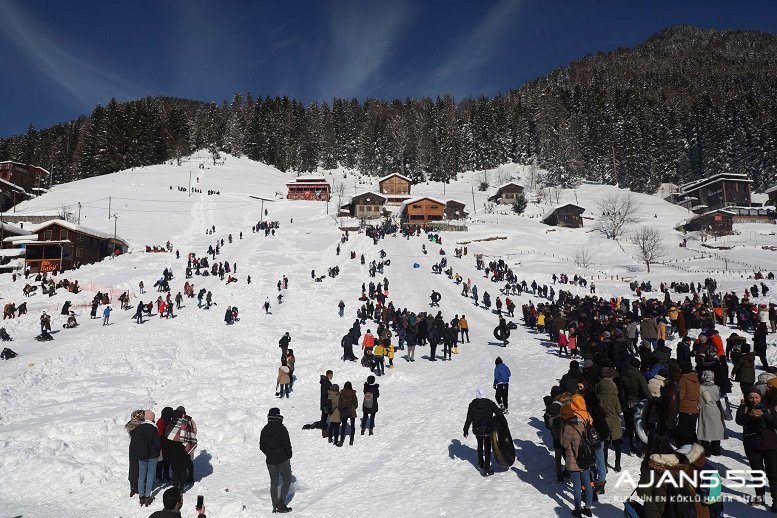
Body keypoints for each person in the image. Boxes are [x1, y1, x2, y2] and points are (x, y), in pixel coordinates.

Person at [737, 387, 777, 510]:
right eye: (751, 397)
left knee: (773, 474)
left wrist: (765, 415)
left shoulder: (768, 407)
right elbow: (739, 420)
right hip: (752, 446)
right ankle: (760, 497)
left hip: (770, 445)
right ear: (747, 398)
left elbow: (775, 423)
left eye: (756, 397)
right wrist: (750, 415)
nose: (754, 400)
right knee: (757, 473)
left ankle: (776, 501)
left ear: (760, 397)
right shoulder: (744, 408)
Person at [560, 395, 594, 517]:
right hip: (585, 459)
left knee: (577, 486)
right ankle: (588, 507)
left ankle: (578, 509)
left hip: (573, 461)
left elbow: (564, 444)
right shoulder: (581, 423)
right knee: (587, 484)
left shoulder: (568, 427)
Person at [260, 408, 293, 514]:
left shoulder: (264, 429)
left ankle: (274, 506)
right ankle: (281, 504)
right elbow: (287, 444)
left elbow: (262, 446)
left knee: (274, 482)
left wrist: (269, 454)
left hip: (270, 461)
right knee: (287, 479)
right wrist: (288, 455)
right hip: (282, 459)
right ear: (278, 415)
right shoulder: (282, 428)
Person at [463, 387, 501, 476]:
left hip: (477, 430)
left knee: (480, 446)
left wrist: (465, 429)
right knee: (487, 448)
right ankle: (486, 468)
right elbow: (499, 413)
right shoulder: (490, 404)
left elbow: (469, 418)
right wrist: (504, 423)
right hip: (487, 430)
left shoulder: (472, 405)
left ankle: (481, 463)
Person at [130, 410, 161, 507]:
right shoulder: (153, 428)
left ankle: (141, 496)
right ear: (152, 418)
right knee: (150, 475)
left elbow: (135, 442)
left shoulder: (138, 428)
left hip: (141, 456)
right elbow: (158, 443)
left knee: (141, 475)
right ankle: (148, 496)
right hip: (152, 456)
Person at [125, 409, 146, 498]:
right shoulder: (141, 427)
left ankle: (133, 487)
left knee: (133, 467)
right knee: (139, 467)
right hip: (140, 448)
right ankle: (138, 486)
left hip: (132, 448)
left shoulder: (131, 425)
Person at [337, 381, 358, 446]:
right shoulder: (353, 393)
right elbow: (356, 403)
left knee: (343, 427)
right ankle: (351, 441)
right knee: (352, 426)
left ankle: (341, 441)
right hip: (352, 410)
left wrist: (341, 409)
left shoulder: (341, 393)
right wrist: (353, 408)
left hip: (344, 410)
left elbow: (339, 403)